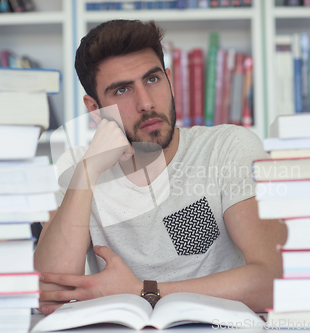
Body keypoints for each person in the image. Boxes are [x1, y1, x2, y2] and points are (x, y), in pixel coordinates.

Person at [34, 19, 287, 316]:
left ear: (168, 79)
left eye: (152, 80)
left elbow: (275, 281)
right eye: (122, 91)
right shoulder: (76, 172)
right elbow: (50, 294)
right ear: (95, 109)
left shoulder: (228, 148)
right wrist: (87, 171)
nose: (146, 103)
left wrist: (143, 291)